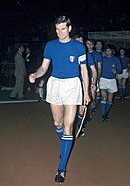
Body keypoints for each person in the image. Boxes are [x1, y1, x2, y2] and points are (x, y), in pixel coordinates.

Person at [29, 15, 90, 183]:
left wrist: (86, 92)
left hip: (72, 85)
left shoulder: (79, 47)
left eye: (63, 29)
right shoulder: (50, 46)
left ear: (69, 28)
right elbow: (44, 67)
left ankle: (61, 168)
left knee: (68, 126)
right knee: (58, 123)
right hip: (55, 84)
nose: (60, 32)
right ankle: (65, 143)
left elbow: (84, 70)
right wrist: (35, 73)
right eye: (57, 29)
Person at [74, 34, 97, 136]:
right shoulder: (69, 53)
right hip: (70, 83)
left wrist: (93, 82)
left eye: (81, 40)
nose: (79, 42)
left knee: (81, 107)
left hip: (83, 83)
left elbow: (94, 70)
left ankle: (80, 127)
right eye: (77, 40)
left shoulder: (88, 55)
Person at [99, 44, 122, 122]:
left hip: (112, 81)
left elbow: (120, 70)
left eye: (109, 50)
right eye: (106, 50)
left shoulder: (116, 59)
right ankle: (103, 115)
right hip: (103, 79)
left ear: (113, 51)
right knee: (104, 97)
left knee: (109, 100)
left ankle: (106, 113)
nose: (108, 52)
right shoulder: (102, 59)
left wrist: (116, 71)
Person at [85, 39, 102, 119]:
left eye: (89, 44)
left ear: (92, 45)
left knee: (92, 97)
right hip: (83, 78)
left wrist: (96, 79)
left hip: (92, 78)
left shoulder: (97, 54)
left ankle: (90, 112)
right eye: (86, 43)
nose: (87, 45)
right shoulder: (82, 53)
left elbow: (99, 67)